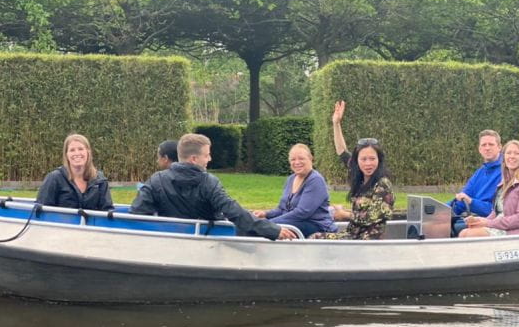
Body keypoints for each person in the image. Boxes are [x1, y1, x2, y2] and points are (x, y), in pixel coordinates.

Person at [130, 133, 297, 240]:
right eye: (207, 155)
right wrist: (272, 230)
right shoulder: (209, 182)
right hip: (207, 241)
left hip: (170, 241)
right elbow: (232, 211)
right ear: (194, 159)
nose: (209, 159)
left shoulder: (156, 180)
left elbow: (138, 213)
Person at [311, 101, 394, 240]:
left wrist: (344, 214)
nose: (368, 163)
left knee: (317, 239)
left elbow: (370, 218)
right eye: (364, 159)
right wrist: (336, 124)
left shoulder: (383, 184)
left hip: (366, 241)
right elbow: (342, 152)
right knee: (314, 236)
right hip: (353, 235)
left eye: (372, 159)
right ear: (357, 161)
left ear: (379, 160)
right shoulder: (359, 176)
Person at [459, 139, 519, 237]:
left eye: (516, 153)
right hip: (505, 228)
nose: (511, 156)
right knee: (464, 232)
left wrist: (487, 223)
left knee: (471, 235)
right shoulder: (504, 182)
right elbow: (497, 212)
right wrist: (479, 221)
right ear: (504, 157)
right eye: (508, 153)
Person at [252, 143, 337, 237]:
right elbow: (282, 209)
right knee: (256, 226)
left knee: (265, 229)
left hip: (315, 225)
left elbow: (302, 213)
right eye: (293, 159)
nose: (297, 162)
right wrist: (265, 214)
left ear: (310, 159)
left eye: (301, 158)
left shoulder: (315, 180)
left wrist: (270, 223)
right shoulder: (291, 179)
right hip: (295, 222)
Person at [36, 133, 114, 211]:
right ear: (66, 155)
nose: (77, 153)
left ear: (88, 152)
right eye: (72, 150)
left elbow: (107, 210)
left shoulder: (100, 180)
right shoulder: (54, 178)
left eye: (80, 149)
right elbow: (41, 211)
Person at [449, 130, 503, 235]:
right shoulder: (480, 172)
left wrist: (472, 202)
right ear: (479, 149)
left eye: (491, 144)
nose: (487, 148)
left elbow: (497, 210)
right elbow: (462, 199)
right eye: (484, 145)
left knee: (456, 230)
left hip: (493, 222)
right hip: (474, 218)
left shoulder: (506, 172)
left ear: (499, 147)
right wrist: (439, 211)